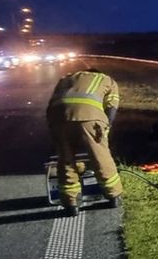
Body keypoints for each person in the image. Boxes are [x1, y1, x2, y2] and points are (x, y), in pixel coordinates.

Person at [46, 68, 122, 215]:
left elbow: (52, 104)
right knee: (100, 156)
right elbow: (111, 107)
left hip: (58, 118)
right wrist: (106, 127)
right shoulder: (107, 80)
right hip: (90, 116)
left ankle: (71, 203)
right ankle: (113, 195)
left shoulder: (66, 78)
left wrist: (53, 128)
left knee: (65, 158)